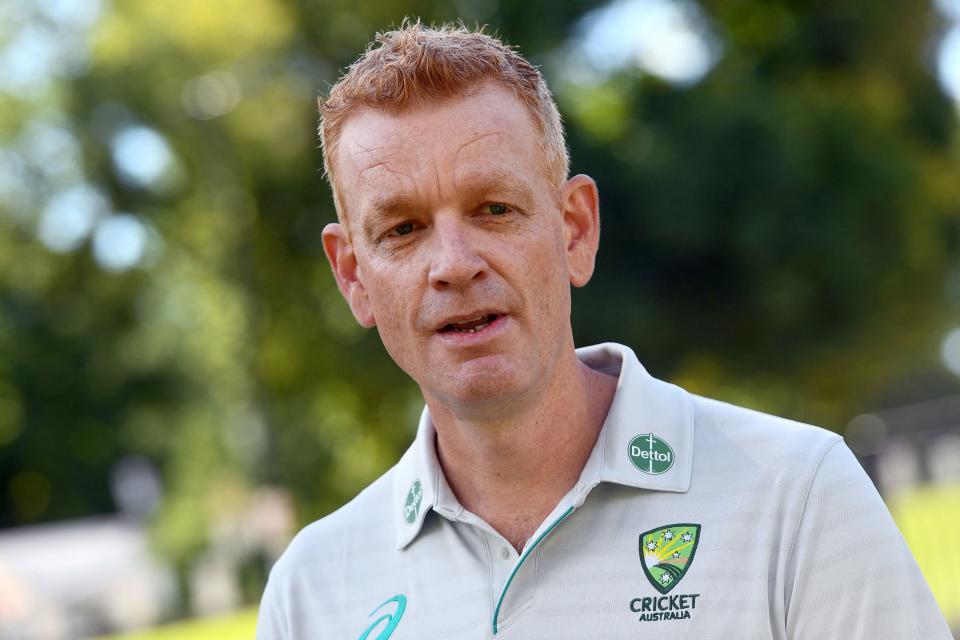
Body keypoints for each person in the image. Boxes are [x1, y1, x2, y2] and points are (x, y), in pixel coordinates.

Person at [256, 21, 952, 639]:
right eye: (403, 230)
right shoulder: (312, 594)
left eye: (494, 209)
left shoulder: (799, 498)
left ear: (576, 229)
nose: (454, 265)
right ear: (353, 275)